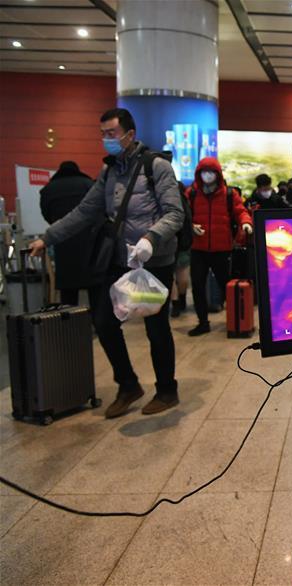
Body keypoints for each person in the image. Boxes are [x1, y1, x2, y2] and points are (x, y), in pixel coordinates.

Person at [29, 107, 185, 417]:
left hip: (154, 262)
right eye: (102, 134)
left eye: (111, 133)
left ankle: (167, 390)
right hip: (120, 259)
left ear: (130, 134)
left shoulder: (157, 167)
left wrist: (150, 239)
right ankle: (128, 385)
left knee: (155, 326)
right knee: (104, 321)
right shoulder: (109, 172)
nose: (106, 139)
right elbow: (84, 212)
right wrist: (48, 238)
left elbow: (174, 213)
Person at [184, 157, 252, 336]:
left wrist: (246, 222)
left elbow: (241, 211)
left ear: (218, 174)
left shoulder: (229, 194)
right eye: (204, 172)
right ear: (199, 174)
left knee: (226, 286)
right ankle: (203, 322)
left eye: (211, 172)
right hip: (198, 248)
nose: (207, 176)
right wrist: (190, 226)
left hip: (222, 249)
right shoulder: (192, 193)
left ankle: (236, 321)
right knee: (198, 286)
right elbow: (182, 214)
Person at [38, 161, 96, 306]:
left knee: (68, 291)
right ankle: (96, 318)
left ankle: (69, 318)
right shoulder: (88, 184)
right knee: (94, 287)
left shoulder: (48, 189)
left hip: (63, 245)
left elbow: (46, 214)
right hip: (90, 242)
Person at [169, 182, 191, 318]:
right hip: (167, 244)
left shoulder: (183, 200)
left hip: (182, 244)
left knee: (182, 278)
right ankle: (176, 302)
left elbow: (188, 221)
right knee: (171, 277)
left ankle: (181, 298)